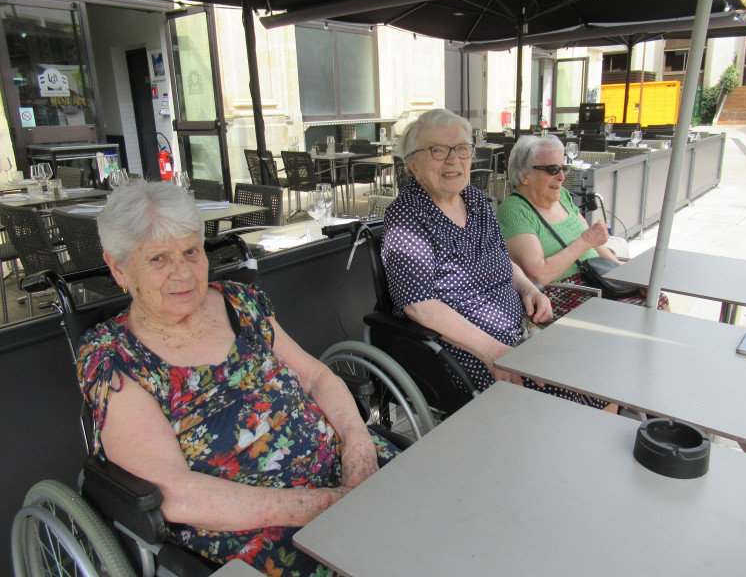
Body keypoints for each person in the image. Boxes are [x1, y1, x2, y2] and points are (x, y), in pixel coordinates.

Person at [76, 180, 398, 575]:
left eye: (191, 251)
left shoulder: (238, 302)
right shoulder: (114, 356)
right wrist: (326, 504)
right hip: (262, 527)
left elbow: (316, 377)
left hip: (346, 474)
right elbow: (176, 493)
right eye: (158, 259)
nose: (182, 272)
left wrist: (359, 446)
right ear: (118, 268)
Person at [382, 108, 612, 411]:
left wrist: (529, 289)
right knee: (563, 395)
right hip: (464, 351)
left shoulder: (476, 200)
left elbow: (503, 260)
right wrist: (494, 352)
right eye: (438, 150)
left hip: (520, 330)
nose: (453, 160)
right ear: (413, 164)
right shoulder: (406, 216)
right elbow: (419, 305)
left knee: (600, 374)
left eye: (462, 148)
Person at [496, 135, 669, 319]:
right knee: (635, 315)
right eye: (552, 169)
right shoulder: (514, 211)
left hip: (596, 278)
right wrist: (585, 241)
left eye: (564, 168)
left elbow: (594, 243)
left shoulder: (561, 196)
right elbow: (540, 274)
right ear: (524, 176)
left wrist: (625, 274)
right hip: (564, 292)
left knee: (658, 299)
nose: (561, 177)